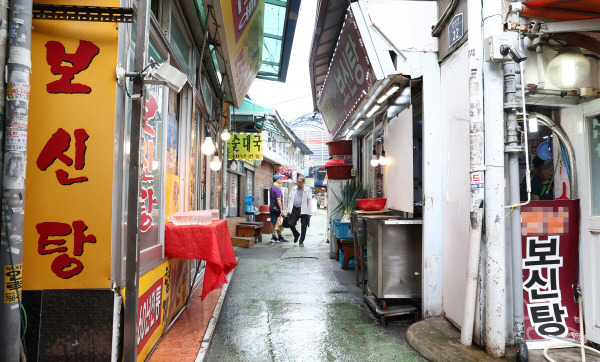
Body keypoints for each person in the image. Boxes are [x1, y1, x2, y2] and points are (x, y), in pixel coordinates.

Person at [287, 174, 313, 246]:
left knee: (303, 226)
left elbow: (309, 201)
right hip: (295, 209)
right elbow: (290, 199)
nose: (298, 183)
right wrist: (289, 210)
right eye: (298, 181)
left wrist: (310, 212)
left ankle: (301, 241)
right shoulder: (293, 188)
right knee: (291, 224)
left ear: (303, 182)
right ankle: (296, 234)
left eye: (300, 182)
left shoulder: (307, 190)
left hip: (304, 210)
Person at [270, 175, 288, 243]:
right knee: (278, 222)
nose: (281, 180)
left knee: (274, 222)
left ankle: (274, 236)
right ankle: (278, 237)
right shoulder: (277, 188)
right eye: (280, 179)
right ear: (277, 179)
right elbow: (278, 200)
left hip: (272, 208)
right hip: (276, 208)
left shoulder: (272, 187)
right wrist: (281, 209)